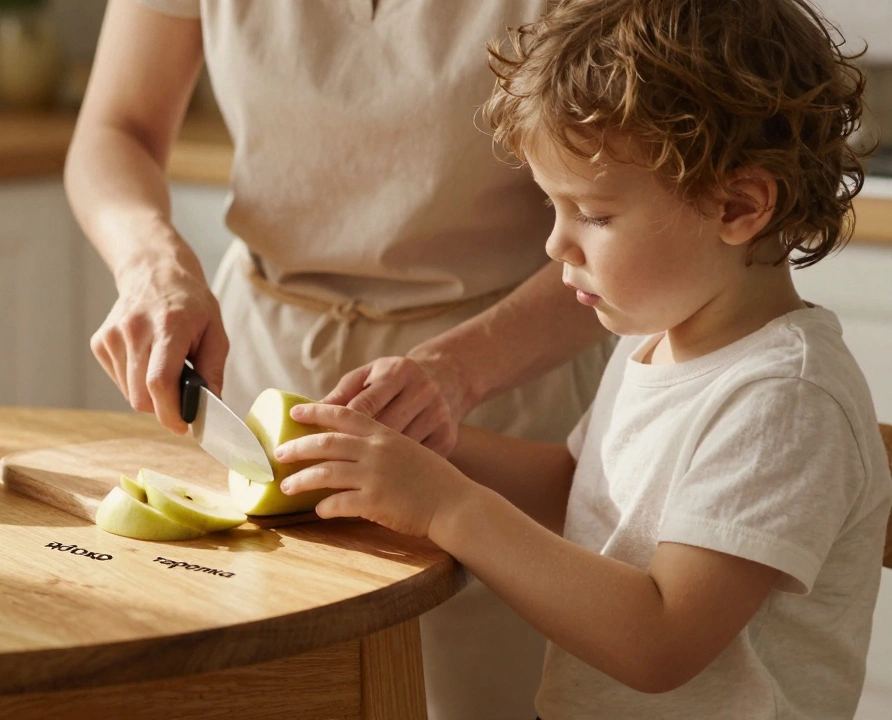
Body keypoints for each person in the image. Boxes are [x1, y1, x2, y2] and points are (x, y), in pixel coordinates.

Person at [274, 0, 892, 717]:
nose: (555, 246)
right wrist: (429, 449)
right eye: (553, 208)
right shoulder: (656, 339)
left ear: (737, 207)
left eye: (594, 215)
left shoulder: (783, 401)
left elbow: (660, 640)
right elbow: (584, 489)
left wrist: (446, 504)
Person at [64, 2, 617, 717]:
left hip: (502, 392)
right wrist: (150, 264)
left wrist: (458, 369)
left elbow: (639, 203)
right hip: (258, 363)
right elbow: (116, 128)